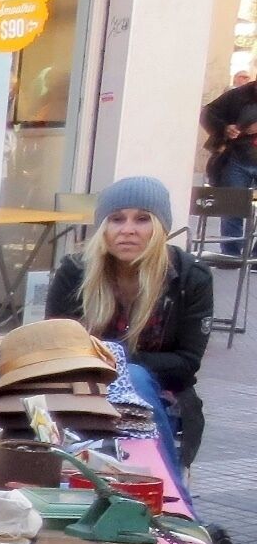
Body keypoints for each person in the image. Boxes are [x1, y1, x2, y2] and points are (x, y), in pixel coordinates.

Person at [47, 176, 213, 467]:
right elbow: (55, 352)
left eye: (142, 219)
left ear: (161, 228)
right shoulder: (75, 273)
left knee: (134, 377)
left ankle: (164, 490)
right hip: (83, 393)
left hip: (161, 397)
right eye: (116, 219)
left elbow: (186, 365)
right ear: (103, 229)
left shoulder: (190, 278)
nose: (127, 230)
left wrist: (118, 361)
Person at [199, 78, 257, 253]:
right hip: (237, 158)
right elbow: (208, 113)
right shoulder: (239, 94)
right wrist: (225, 128)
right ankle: (230, 255)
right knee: (232, 207)